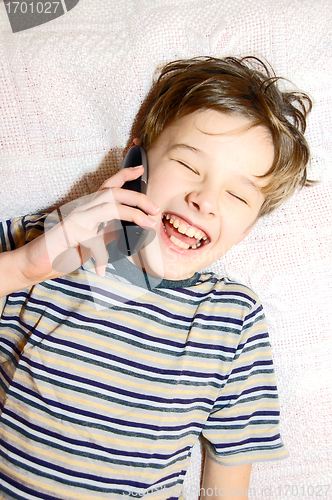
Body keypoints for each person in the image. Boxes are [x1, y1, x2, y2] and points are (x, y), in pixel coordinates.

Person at [0, 56, 312, 500]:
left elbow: (226, 483)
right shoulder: (46, 244)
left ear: (248, 228)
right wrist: (24, 267)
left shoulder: (233, 319)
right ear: (136, 161)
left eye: (238, 195)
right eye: (188, 166)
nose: (204, 199)